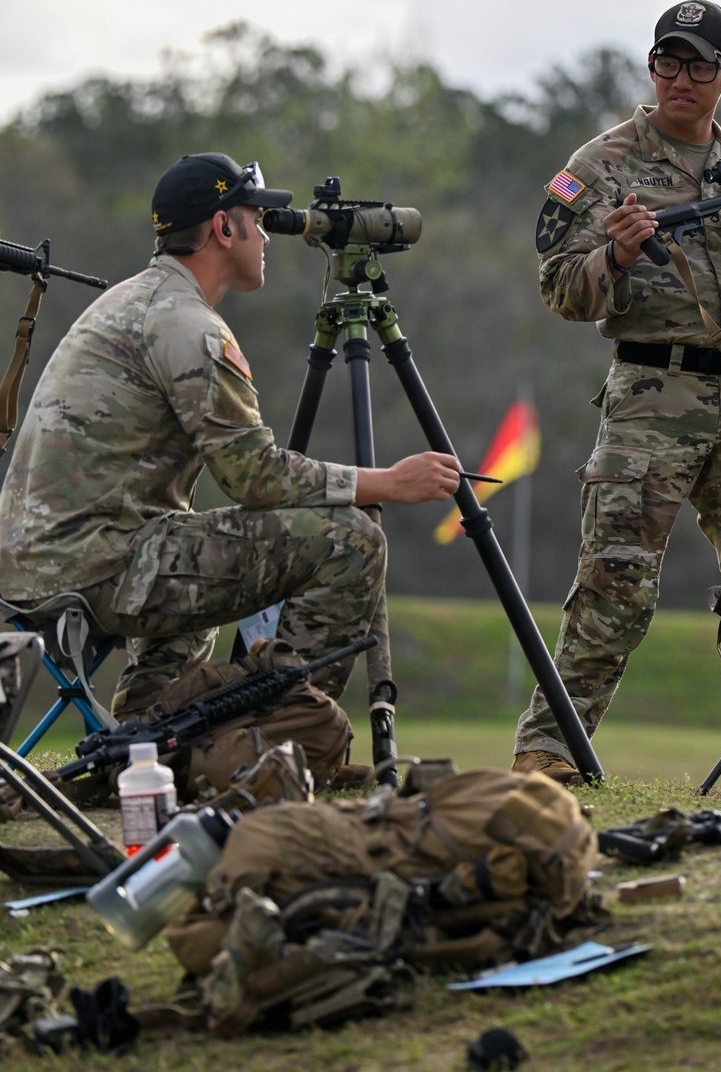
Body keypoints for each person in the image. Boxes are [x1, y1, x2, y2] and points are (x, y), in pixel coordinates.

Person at [511, 0, 721, 797]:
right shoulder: (601, 165)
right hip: (649, 394)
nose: (681, 78)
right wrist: (616, 256)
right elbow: (560, 291)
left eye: (700, 65)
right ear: (651, 67)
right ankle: (547, 750)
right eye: (668, 61)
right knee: (616, 580)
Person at [0, 152, 460, 717]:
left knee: (193, 553)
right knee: (352, 541)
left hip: (41, 564)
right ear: (223, 227)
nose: (265, 236)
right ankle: (282, 738)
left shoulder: (131, 300)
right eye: (256, 220)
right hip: (94, 568)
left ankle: (146, 738)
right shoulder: (187, 325)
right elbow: (254, 478)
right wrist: (388, 483)